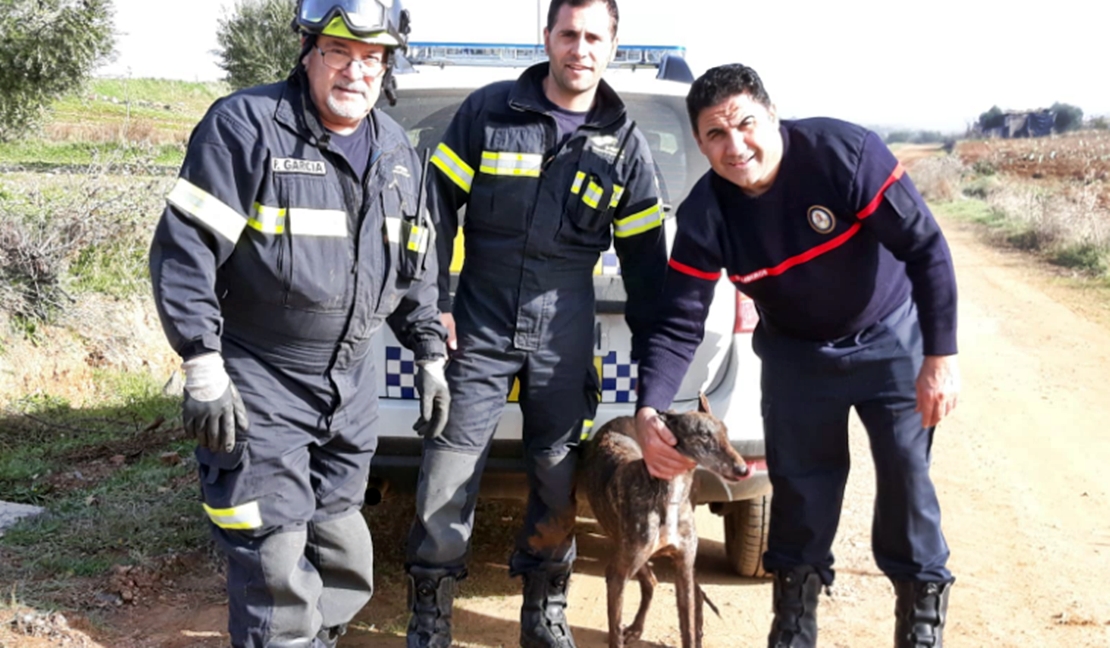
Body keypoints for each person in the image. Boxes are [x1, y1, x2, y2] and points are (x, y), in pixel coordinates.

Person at [148, 1, 450, 646]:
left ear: (386, 68)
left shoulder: (397, 151)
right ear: (309, 53)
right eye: (339, 52)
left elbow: (414, 268)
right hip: (262, 376)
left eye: (372, 58)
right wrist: (201, 361)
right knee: (274, 562)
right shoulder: (247, 127)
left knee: (344, 556)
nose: (355, 71)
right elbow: (186, 249)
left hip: (353, 384)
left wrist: (429, 353)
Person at [633, 64, 960, 648]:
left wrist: (940, 355)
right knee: (802, 493)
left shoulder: (846, 154)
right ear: (700, 143)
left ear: (771, 115)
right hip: (796, 356)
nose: (736, 147)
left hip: (890, 338)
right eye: (714, 134)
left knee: (908, 482)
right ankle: (792, 627)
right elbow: (679, 319)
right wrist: (650, 408)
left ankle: (921, 624)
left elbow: (926, 248)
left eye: (745, 125)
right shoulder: (707, 213)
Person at [402, 1, 668, 647]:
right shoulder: (491, 112)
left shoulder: (625, 143)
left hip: (565, 328)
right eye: (569, 34)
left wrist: (657, 374)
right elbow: (434, 212)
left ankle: (543, 608)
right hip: (481, 321)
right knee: (449, 468)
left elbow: (646, 264)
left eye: (594, 37)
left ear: (613, 45)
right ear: (547, 38)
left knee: (556, 475)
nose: (580, 48)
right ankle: (431, 612)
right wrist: (433, 303)